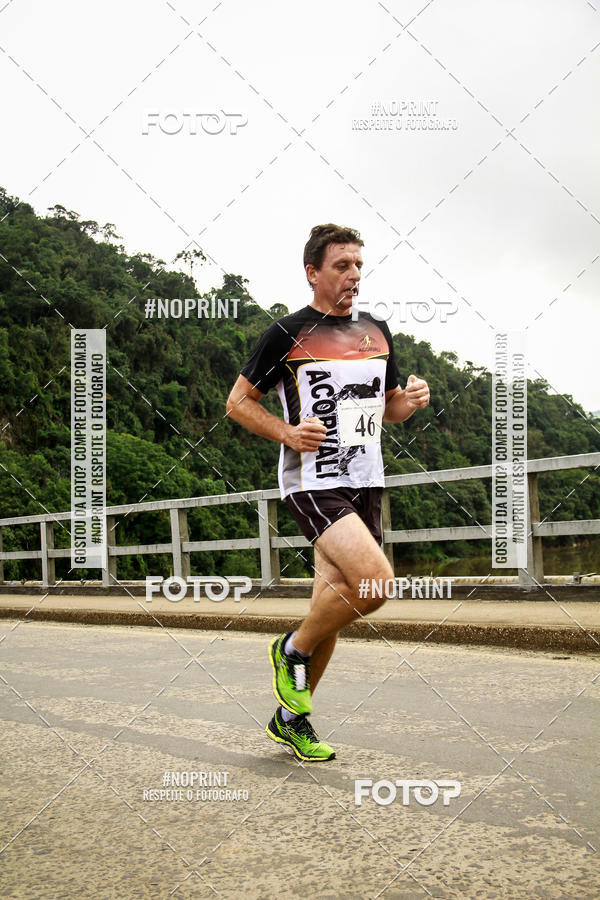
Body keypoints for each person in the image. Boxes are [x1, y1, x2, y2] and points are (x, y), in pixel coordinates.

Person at [226, 224, 430, 761]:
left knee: (330, 602)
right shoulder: (286, 333)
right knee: (375, 584)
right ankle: (288, 649)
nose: (354, 275)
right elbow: (239, 403)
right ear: (313, 273)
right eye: (342, 265)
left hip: (367, 480)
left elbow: (389, 409)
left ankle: (291, 719)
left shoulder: (378, 332)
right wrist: (288, 433)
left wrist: (411, 399)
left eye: (359, 265)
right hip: (314, 481)